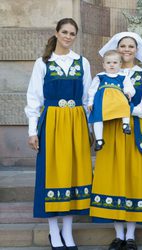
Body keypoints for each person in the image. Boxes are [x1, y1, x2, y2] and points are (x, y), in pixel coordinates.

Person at [25, 18, 93, 250]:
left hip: (76, 122)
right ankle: (54, 232)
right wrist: (33, 131)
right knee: (52, 174)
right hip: (52, 122)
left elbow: (87, 100)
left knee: (74, 174)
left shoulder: (82, 62)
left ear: (76, 36)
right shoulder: (43, 62)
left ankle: (68, 231)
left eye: (72, 33)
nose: (68, 36)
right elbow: (34, 98)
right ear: (57, 33)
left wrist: (91, 130)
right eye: (64, 32)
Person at [90, 32, 142, 250]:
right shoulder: (102, 75)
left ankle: (131, 235)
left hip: (133, 128)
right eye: (123, 46)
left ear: (137, 50)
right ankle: (118, 234)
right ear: (116, 49)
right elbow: (91, 102)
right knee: (113, 178)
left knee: (133, 179)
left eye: (131, 46)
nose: (127, 49)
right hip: (109, 130)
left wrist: (121, 110)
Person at [88, 50, 135, 151]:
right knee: (98, 116)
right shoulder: (100, 76)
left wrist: (128, 93)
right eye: (108, 63)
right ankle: (99, 140)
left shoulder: (123, 77)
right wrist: (90, 102)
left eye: (115, 62)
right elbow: (92, 90)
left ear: (120, 64)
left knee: (125, 104)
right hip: (102, 100)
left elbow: (130, 88)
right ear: (104, 65)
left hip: (118, 99)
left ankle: (125, 124)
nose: (111, 65)